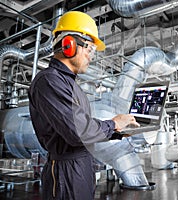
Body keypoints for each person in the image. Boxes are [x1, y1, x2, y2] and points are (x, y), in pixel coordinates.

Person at [28, 11, 139, 200]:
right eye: (89, 49)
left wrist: (115, 131)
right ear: (69, 45)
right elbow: (77, 132)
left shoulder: (68, 83)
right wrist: (113, 124)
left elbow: (82, 123)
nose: (91, 56)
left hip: (80, 167)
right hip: (66, 173)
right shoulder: (49, 81)